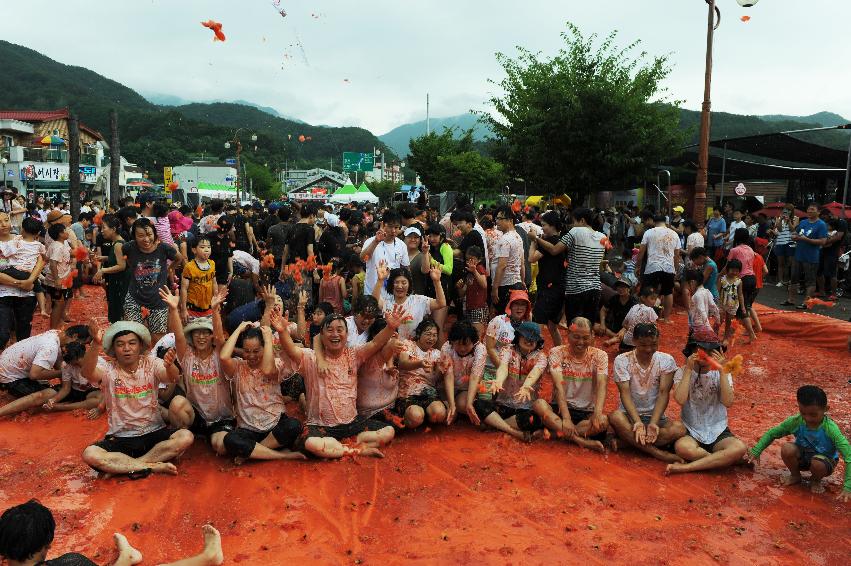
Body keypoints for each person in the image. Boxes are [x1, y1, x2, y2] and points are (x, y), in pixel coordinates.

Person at [273, 304, 410, 459]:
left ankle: (343, 447)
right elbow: (291, 350)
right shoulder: (311, 358)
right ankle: (357, 450)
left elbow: (375, 344)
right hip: (320, 426)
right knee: (311, 443)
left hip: (351, 424)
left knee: (389, 431)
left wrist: (391, 327)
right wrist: (282, 331)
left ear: (347, 335)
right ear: (322, 336)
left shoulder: (354, 355)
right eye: (330, 330)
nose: (335, 334)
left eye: (340, 330)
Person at [80, 321, 194, 477]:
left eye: (132, 343)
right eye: (120, 344)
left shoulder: (152, 363)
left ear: (140, 345)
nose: (126, 348)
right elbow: (87, 373)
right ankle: (152, 466)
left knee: (185, 437)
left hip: (154, 431)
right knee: (90, 454)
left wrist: (169, 366)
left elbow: (172, 378)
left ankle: (129, 466)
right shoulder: (108, 369)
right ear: (113, 349)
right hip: (122, 437)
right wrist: (95, 344)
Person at [157, 286, 235, 457]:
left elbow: (221, 338)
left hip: (221, 418)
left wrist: (214, 310)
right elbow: (178, 336)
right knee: (177, 403)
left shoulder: (220, 355)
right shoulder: (187, 356)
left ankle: (211, 437)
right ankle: (185, 438)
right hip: (197, 416)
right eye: (197, 333)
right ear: (191, 337)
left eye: (206, 333)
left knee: (221, 446)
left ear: (211, 337)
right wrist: (173, 309)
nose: (201, 337)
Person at [217, 321, 306, 462]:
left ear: (264, 348)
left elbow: (267, 370)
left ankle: (254, 452)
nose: (251, 356)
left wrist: (268, 339)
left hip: (274, 425)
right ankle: (282, 455)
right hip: (248, 429)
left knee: (293, 426)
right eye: (247, 351)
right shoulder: (238, 366)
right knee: (229, 439)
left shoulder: (275, 363)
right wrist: (239, 329)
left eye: (256, 351)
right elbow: (223, 357)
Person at [746, 385, 850, 500]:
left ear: (826, 409)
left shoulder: (831, 429)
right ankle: (795, 475)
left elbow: (848, 455)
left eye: (813, 415)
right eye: (803, 413)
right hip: (803, 458)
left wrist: (848, 487)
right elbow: (772, 433)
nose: (807, 418)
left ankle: (815, 480)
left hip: (824, 462)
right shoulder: (796, 421)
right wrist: (757, 450)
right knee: (787, 448)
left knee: (817, 463)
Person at [608, 323, 686, 463]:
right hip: (629, 415)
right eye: (643, 345)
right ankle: (658, 453)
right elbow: (624, 393)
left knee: (679, 429)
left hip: (655, 416)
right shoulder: (622, 360)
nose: (649, 349)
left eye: (654, 344)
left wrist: (654, 423)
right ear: (634, 341)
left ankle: (628, 442)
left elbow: (664, 393)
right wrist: (637, 422)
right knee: (615, 417)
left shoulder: (666, 360)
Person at [665, 346, 747, 475]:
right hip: (691, 430)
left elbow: (728, 402)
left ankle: (686, 468)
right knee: (682, 448)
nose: (704, 358)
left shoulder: (723, 373)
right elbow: (680, 399)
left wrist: (721, 370)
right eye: (698, 353)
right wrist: (688, 370)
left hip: (718, 430)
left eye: (709, 353)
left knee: (739, 448)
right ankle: (721, 459)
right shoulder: (682, 371)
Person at [536, 317, 610, 452]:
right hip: (560, 408)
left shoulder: (600, 356)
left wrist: (597, 413)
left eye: (586, 337)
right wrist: (566, 418)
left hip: (586, 412)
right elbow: (559, 385)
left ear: (593, 336)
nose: (581, 342)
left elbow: (602, 385)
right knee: (539, 404)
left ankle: (556, 432)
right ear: (568, 335)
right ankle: (580, 440)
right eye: (576, 337)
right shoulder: (556, 352)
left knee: (603, 421)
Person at [468, 321, 547, 442]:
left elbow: (534, 373)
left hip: (525, 408)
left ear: (538, 341)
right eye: (525, 337)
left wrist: (526, 386)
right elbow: (503, 367)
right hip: (503, 405)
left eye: (533, 338)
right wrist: (499, 381)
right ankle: (514, 432)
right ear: (518, 336)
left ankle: (495, 424)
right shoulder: (507, 350)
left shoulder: (541, 357)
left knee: (533, 418)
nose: (529, 340)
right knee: (478, 404)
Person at [0, 326, 92, 418]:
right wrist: (64, 373)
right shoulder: (51, 348)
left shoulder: (57, 334)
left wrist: (65, 376)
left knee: (47, 393)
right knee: (42, 396)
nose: (82, 347)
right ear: (75, 336)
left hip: (7, 365)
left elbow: (59, 360)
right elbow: (34, 374)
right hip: (9, 377)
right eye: (84, 343)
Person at [533, 207, 605, 324]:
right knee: (588, 325)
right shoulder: (603, 237)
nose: (572, 226)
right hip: (595, 288)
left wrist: (536, 239)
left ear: (582, 221)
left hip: (576, 288)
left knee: (574, 326)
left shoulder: (576, 232)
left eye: (574, 222)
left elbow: (555, 250)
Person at [121, 217, 181, 343]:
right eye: (141, 235)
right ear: (134, 237)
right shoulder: (128, 247)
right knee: (133, 335)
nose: (146, 239)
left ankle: (156, 362)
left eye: (149, 234)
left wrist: (170, 269)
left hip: (158, 298)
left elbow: (179, 258)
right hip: (134, 297)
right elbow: (126, 260)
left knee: (158, 338)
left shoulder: (164, 248)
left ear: (154, 233)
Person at [395, 319, 451, 429]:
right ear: (419, 333)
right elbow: (402, 364)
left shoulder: (437, 354)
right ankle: (415, 417)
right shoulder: (408, 345)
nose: (431, 338)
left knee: (439, 414)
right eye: (428, 334)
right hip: (408, 393)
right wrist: (419, 364)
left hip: (428, 393)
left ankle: (424, 416)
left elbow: (439, 379)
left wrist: (440, 370)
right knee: (415, 416)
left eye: (435, 335)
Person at [0, 216, 46, 347]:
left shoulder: (20, 239)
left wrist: (30, 280)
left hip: (27, 295)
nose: (4, 224)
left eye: (6, 220)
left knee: (24, 333)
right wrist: (20, 283)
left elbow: (40, 261)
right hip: (4, 294)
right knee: (3, 334)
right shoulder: (16, 242)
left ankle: (18, 361)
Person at [373, 264, 446, 340]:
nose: (400, 286)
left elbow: (441, 303)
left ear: (409, 285)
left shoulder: (418, 300)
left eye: (404, 283)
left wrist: (437, 281)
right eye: (396, 282)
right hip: (390, 346)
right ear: (391, 284)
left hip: (411, 348)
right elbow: (374, 302)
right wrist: (380, 280)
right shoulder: (387, 302)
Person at [528, 211, 565, 346]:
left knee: (537, 324)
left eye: (544, 225)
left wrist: (533, 240)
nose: (542, 228)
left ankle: (534, 354)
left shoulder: (549, 241)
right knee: (552, 326)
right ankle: (560, 354)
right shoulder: (562, 241)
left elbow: (531, 258)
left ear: (553, 225)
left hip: (548, 289)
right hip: (559, 288)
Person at [636, 214, 681, 322]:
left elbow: (641, 251)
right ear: (665, 221)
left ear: (653, 222)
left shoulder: (649, 232)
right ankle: (666, 318)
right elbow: (677, 255)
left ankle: (644, 317)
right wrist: (675, 269)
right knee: (668, 292)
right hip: (668, 268)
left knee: (647, 292)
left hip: (652, 267)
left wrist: (638, 266)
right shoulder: (674, 233)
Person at [440, 319, 486, 421]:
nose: (462, 348)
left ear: (473, 342)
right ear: (452, 342)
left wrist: (469, 404)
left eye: (466, 344)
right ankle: (453, 405)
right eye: (458, 344)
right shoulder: (446, 348)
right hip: (447, 387)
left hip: (468, 388)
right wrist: (451, 405)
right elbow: (449, 376)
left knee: (463, 405)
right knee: (444, 414)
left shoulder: (480, 349)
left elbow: (475, 377)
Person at [784, 203, 827, 309]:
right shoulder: (803, 222)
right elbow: (796, 233)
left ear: (818, 212)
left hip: (811, 256)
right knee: (793, 278)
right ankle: (790, 300)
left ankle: (807, 302)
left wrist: (806, 239)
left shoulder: (821, 224)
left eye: (812, 209)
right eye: (808, 209)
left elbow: (823, 241)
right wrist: (794, 236)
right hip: (798, 255)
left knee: (810, 280)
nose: (810, 211)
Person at [360, 210, 408, 295]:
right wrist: (376, 242)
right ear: (382, 224)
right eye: (390, 226)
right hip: (372, 292)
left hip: (393, 294)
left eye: (396, 227)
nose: (393, 231)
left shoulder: (402, 245)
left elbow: (405, 268)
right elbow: (363, 259)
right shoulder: (371, 241)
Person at [93, 215, 130, 323]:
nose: (102, 231)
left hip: (120, 282)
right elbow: (117, 258)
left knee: (118, 311)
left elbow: (121, 266)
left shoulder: (118, 244)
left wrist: (102, 270)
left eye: (104, 228)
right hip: (117, 281)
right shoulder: (117, 242)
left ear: (113, 229)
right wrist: (104, 258)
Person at [491, 205, 525, 314]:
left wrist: (495, 288)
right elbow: (522, 263)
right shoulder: (517, 237)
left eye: (500, 219)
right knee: (513, 316)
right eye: (496, 219)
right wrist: (522, 281)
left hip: (504, 285)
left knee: (504, 316)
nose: (497, 222)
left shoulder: (505, 239)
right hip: (515, 282)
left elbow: (502, 266)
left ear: (510, 220)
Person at [43, 222, 74, 330]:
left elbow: (46, 258)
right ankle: (53, 329)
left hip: (60, 279)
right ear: (61, 234)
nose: (67, 232)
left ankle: (57, 326)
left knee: (59, 303)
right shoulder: (58, 247)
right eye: (65, 230)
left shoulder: (57, 245)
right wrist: (57, 280)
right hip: (57, 281)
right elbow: (52, 263)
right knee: (58, 304)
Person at [682, 268, 720, 344]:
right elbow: (714, 307)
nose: (687, 288)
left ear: (692, 282)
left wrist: (707, 329)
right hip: (704, 327)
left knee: (696, 350)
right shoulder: (707, 292)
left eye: (687, 285)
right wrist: (717, 321)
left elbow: (701, 310)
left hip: (698, 328)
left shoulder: (696, 295)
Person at [458, 245, 488, 338]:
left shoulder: (479, 268)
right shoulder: (468, 272)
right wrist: (460, 287)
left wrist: (475, 271)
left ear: (479, 260)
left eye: (472, 259)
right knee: (471, 336)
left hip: (478, 307)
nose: (469, 262)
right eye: (467, 259)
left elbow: (484, 284)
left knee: (478, 336)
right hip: (469, 307)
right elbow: (462, 293)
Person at [616, 286, 659, 351]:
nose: (654, 301)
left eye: (655, 299)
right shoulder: (650, 310)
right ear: (643, 298)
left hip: (624, 345)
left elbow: (623, 324)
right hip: (638, 346)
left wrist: (632, 330)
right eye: (652, 298)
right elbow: (655, 327)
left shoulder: (634, 307)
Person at [718, 259, 747, 345]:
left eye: (737, 270)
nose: (734, 272)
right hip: (722, 304)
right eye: (733, 270)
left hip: (733, 305)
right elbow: (717, 291)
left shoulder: (739, 281)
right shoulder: (722, 279)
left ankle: (726, 337)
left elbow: (740, 294)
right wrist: (716, 303)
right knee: (719, 320)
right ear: (728, 269)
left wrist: (743, 307)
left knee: (728, 322)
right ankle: (714, 336)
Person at [769, 205, 797, 287]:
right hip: (780, 242)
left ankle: (790, 281)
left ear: (791, 211)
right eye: (785, 210)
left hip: (790, 242)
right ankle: (781, 281)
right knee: (781, 263)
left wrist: (788, 221)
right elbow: (780, 230)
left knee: (790, 263)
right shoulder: (779, 218)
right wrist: (781, 219)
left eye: (788, 210)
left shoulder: (795, 218)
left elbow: (793, 229)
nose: (786, 212)